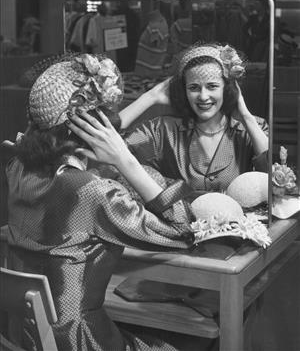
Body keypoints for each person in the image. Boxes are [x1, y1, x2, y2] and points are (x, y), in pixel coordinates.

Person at [5, 53, 204, 351]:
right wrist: (126, 161)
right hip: (81, 340)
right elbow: (186, 231)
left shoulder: (18, 169)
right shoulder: (91, 192)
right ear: (97, 127)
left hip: (27, 335)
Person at [116, 42, 269, 198]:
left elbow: (272, 178)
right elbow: (103, 141)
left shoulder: (252, 128)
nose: (203, 96)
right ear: (185, 91)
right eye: (194, 88)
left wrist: (246, 117)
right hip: (177, 221)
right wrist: (149, 97)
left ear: (227, 88)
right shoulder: (162, 130)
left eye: (212, 86)